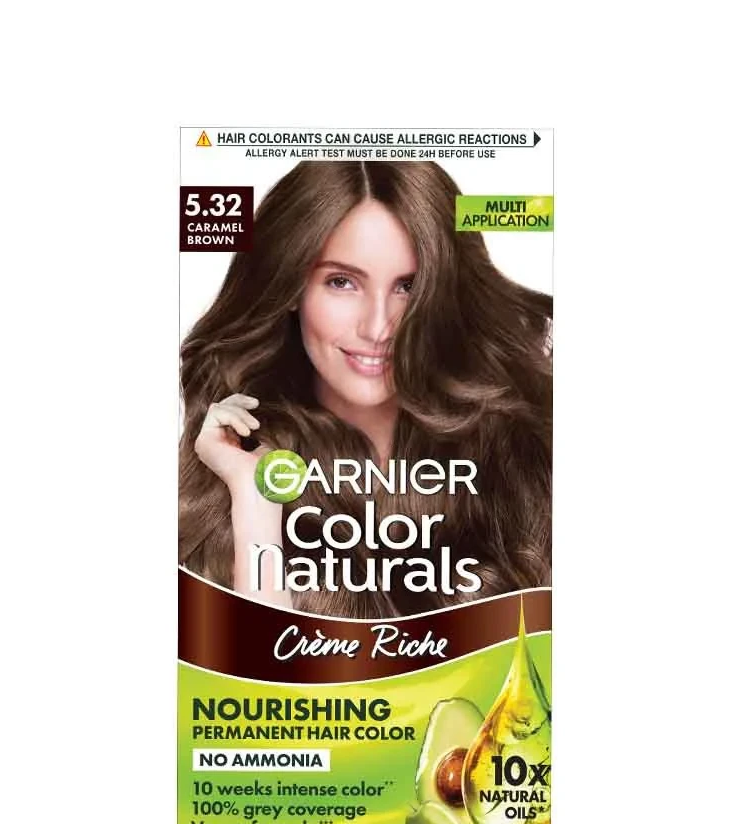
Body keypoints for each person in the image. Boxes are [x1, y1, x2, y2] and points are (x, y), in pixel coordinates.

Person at [179, 161, 552, 617]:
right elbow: (255, 664)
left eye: (408, 286)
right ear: (291, 287)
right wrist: (256, 502)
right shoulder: (228, 477)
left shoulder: (522, 462)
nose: (378, 328)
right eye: (342, 282)